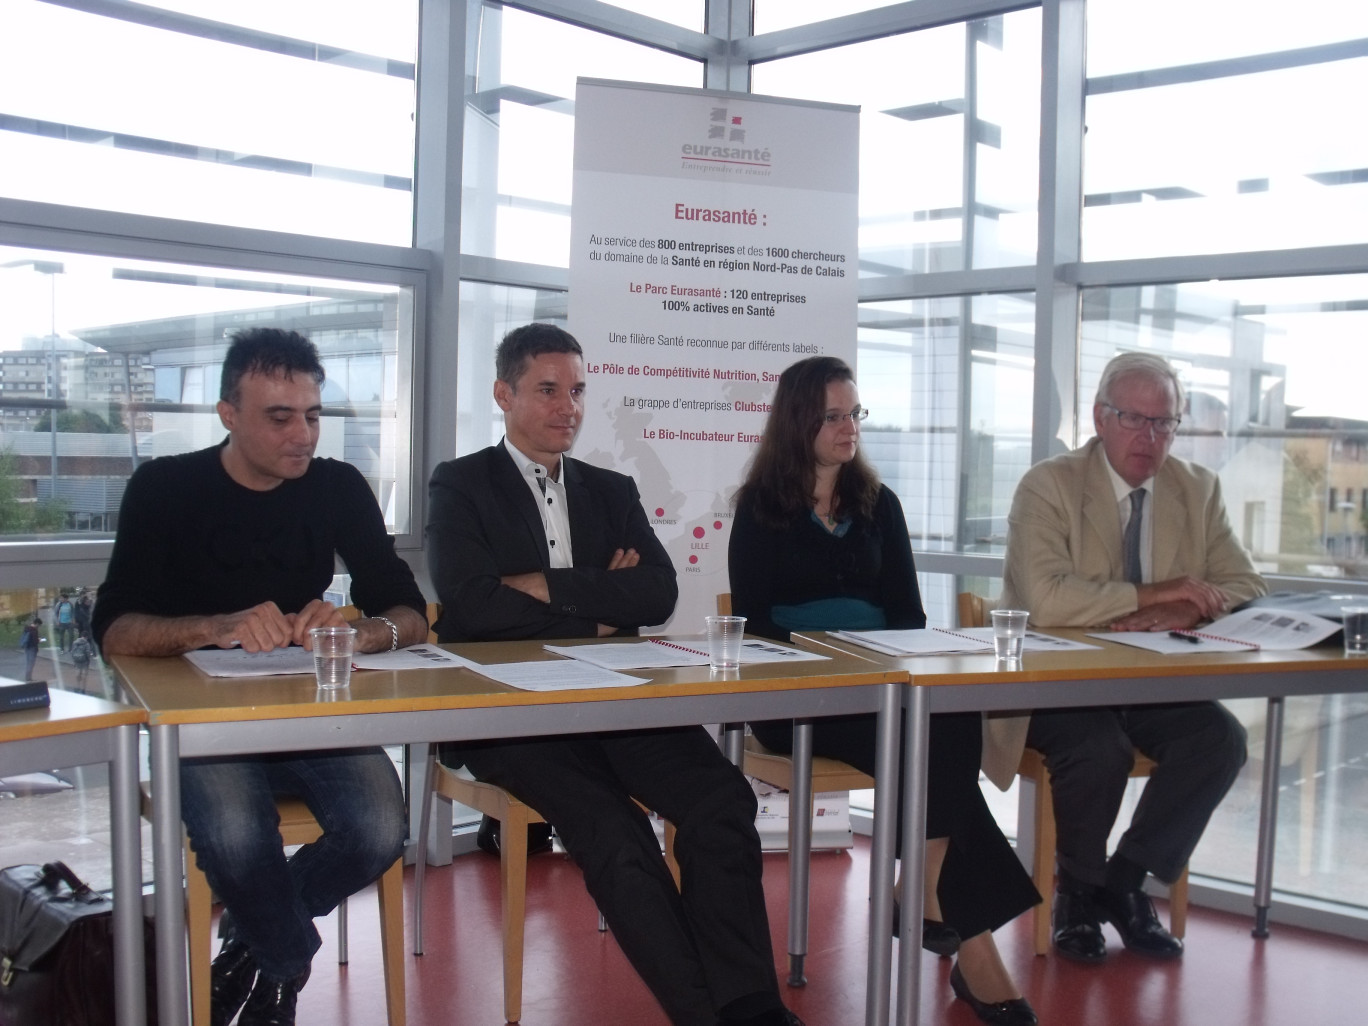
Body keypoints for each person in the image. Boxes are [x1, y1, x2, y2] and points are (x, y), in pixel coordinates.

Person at [427, 323, 800, 1026]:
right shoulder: (462, 484)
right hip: (512, 715)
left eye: (577, 390)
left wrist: (542, 586)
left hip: (618, 699)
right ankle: (704, 1013)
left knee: (721, 799)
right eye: (547, 390)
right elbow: (471, 603)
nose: (568, 405)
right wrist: (598, 600)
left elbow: (656, 595)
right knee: (613, 833)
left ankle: (750, 1003)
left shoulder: (610, 489)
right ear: (503, 394)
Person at [93, 327, 428, 1026]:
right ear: (228, 414)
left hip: (306, 709)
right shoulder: (164, 487)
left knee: (379, 826)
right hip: (202, 721)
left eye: (312, 414)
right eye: (281, 417)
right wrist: (215, 626)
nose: (302, 434)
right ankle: (282, 961)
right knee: (241, 835)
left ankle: (252, 949)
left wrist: (361, 630)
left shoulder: (337, 486)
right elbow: (116, 629)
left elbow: (410, 611)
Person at [729, 356, 1040, 1026]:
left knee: (948, 721)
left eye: (855, 414)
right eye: (834, 416)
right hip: (799, 697)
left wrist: (874, 648)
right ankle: (948, 924)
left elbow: (908, 615)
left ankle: (927, 892)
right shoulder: (760, 511)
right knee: (935, 749)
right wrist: (824, 644)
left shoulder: (880, 504)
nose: (850, 429)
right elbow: (755, 620)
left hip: (880, 681)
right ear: (800, 422)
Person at [994, 350, 1267, 964]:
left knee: (1218, 738)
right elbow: (1048, 601)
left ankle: (1123, 883)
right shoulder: (1049, 485)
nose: (1150, 437)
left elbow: (1248, 586)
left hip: (1144, 683)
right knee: (1098, 749)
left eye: (1164, 423)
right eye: (1134, 419)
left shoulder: (1197, 489)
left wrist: (1185, 610)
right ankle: (1077, 894)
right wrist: (1156, 591)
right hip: (1048, 683)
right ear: (1099, 417)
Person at [20, 615, 42, 682]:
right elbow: (35, 641)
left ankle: (27, 677)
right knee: (31, 663)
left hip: (27, 647)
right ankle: (28, 678)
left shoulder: (27, 628)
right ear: (37, 623)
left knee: (28, 662)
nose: (39, 626)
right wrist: (40, 640)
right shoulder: (34, 630)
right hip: (32, 648)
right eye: (39, 625)